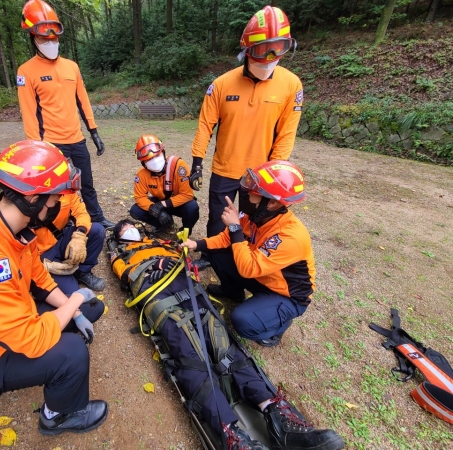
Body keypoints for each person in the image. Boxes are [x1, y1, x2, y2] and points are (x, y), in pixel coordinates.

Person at [109, 220, 343, 450]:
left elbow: (184, 256)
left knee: (221, 338)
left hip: (181, 280)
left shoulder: (161, 242)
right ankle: (229, 432)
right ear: (119, 237)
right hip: (152, 288)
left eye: (130, 226)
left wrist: (178, 261)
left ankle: (275, 414)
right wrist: (150, 267)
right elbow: (125, 274)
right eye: (123, 229)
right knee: (188, 347)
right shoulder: (122, 252)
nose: (128, 230)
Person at [0, 139, 107, 436]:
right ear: (33, 199)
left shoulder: (13, 229)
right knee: (73, 351)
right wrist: (73, 299)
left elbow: (39, 279)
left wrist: (74, 307)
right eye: (53, 198)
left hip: (7, 320)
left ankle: (61, 352)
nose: (56, 204)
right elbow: (30, 339)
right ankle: (58, 416)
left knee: (90, 308)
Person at [189, 6, 303, 271]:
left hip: (259, 174)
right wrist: (197, 163)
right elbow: (205, 125)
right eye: (264, 48)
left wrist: (274, 173)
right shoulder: (221, 85)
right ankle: (210, 255)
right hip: (225, 167)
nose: (272, 55)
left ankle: (246, 257)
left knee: (253, 220)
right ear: (247, 50)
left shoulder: (291, 85)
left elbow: (287, 134)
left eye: (280, 46)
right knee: (218, 218)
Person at [183, 160, 314, 348]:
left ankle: (280, 323)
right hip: (263, 276)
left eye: (253, 193)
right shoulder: (256, 216)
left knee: (242, 321)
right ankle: (232, 292)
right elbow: (225, 239)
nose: (245, 194)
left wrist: (235, 227)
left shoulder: (291, 236)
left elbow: (248, 268)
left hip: (286, 295)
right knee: (215, 252)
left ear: (273, 202)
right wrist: (196, 244)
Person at [17, 0, 114, 229]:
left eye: (54, 38)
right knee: (56, 187)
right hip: (51, 142)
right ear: (33, 37)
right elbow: (29, 112)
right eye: (44, 38)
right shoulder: (26, 71)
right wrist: (36, 148)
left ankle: (96, 216)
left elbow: (83, 101)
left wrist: (94, 132)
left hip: (77, 139)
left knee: (86, 182)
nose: (50, 42)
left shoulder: (72, 66)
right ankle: (60, 222)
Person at [33, 173, 106, 291]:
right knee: (72, 293)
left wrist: (80, 235)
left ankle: (83, 272)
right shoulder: (28, 198)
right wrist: (39, 265)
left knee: (97, 230)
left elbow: (81, 213)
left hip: (60, 238)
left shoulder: (67, 189)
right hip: (42, 253)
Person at [129, 134, 199, 235]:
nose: (154, 160)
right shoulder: (142, 174)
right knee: (135, 211)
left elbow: (187, 195)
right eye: (148, 159)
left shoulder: (178, 166)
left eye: (157, 155)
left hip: (179, 203)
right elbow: (140, 197)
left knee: (192, 207)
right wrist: (155, 210)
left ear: (163, 152)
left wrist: (162, 205)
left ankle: (185, 231)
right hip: (159, 202)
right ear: (143, 163)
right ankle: (165, 223)